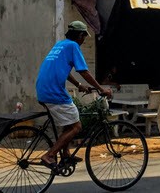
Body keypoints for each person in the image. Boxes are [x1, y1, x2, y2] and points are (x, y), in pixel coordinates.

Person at [36, 20, 112, 168]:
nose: (84, 40)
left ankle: (65, 154)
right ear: (80, 35)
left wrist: (78, 85)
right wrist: (101, 88)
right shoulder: (73, 46)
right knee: (76, 127)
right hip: (54, 92)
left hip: (43, 89)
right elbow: (83, 71)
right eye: (84, 36)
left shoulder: (60, 45)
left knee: (68, 123)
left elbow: (64, 70)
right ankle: (49, 155)